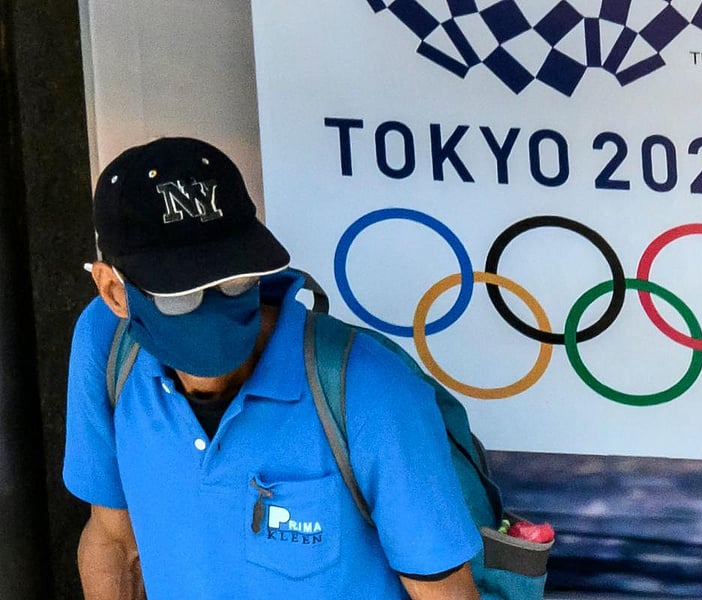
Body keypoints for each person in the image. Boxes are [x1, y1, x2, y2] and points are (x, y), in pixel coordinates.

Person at [63, 137, 483, 599]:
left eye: (235, 278)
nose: (216, 307)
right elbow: (113, 537)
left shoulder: (367, 390)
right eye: (181, 293)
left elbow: (446, 593)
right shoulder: (107, 346)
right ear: (115, 293)